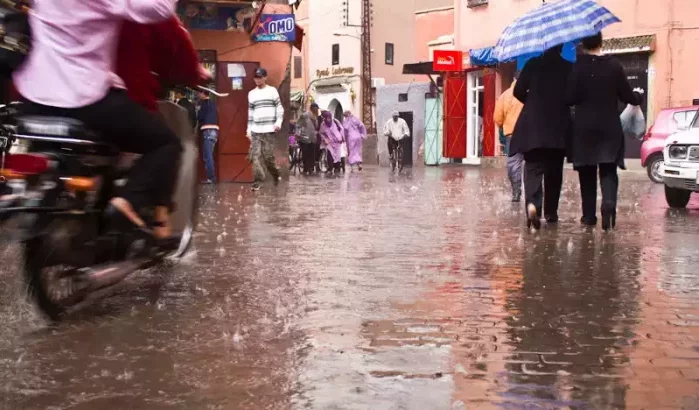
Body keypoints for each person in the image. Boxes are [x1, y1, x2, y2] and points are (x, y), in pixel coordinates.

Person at [14, 0, 182, 240]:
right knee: (165, 143)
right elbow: (158, 9)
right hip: (85, 98)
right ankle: (128, 202)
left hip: (34, 98)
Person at [568, 32, 644, 231]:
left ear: (583, 44)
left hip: (584, 129)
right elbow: (628, 95)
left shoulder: (579, 66)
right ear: (601, 42)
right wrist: (638, 97)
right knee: (609, 170)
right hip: (609, 127)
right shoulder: (614, 65)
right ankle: (608, 206)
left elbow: (570, 98)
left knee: (587, 172)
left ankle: (588, 216)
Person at [511, 45, 573, 230]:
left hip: (533, 129)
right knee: (554, 173)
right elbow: (573, 96)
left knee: (533, 170)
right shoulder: (568, 67)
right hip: (558, 128)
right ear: (561, 47)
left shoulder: (532, 64)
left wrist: (532, 102)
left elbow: (517, 91)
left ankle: (533, 206)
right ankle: (551, 213)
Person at [246, 67, 283, 191]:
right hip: (256, 130)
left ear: (265, 78)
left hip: (269, 129)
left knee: (268, 157)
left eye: (260, 77)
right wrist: (248, 129)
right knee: (255, 156)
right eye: (256, 77)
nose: (257, 79)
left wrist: (278, 122)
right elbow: (250, 113)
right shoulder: (251, 94)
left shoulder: (272, 91)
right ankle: (258, 181)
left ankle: (275, 173)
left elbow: (279, 108)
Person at [494, 72, 524, 202]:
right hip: (531, 134)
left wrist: (505, 125)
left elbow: (497, 118)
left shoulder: (505, 95)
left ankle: (516, 192)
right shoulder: (532, 93)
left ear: (513, 79)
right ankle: (533, 193)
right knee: (532, 165)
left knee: (514, 165)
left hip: (512, 135)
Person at [197, 89, 219, 184]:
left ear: (203, 93)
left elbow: (200, 117)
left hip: (208, 131)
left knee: (208, 156)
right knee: (209, 155)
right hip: (215, 131)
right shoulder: (213, 103)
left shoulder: (204, 104)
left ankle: (212, 178)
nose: (198, 94)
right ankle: (211, 177)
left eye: (199, 92)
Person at [319, 110, 345, 176]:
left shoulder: (335, 121)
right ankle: (330, 168)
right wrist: (324, 139)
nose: (328, 119)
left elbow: (341, 129)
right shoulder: (323, 125)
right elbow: (321, 133)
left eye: (329, 117)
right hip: (330, 142)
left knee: (338, 155)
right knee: (330, 155)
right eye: (326, 118)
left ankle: (337, 168)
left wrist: (342, 137)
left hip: (337, 141)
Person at [309, 103, 322, 172]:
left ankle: (317, 165)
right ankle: (311, 165)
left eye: (316, 109)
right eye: (314, 109)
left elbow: (322, 126)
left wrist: (319, 131)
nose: (315, 110)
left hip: (318, 137)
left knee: (318, 150)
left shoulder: (320, 118)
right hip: (310, 136)